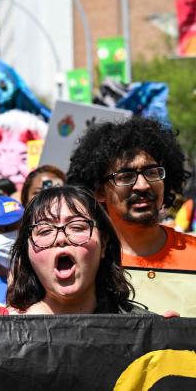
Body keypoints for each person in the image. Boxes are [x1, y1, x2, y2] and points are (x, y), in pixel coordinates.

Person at [67, 117, 196, 316]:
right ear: (99, 191)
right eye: (125, 176)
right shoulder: (83, 261)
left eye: (152, 172)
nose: (143, 185)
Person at [6, 186, 144, 315]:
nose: (61, 238)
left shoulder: (144, 327)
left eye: (77, 227)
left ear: (104, 243)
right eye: (45, 230)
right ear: (26, 250)